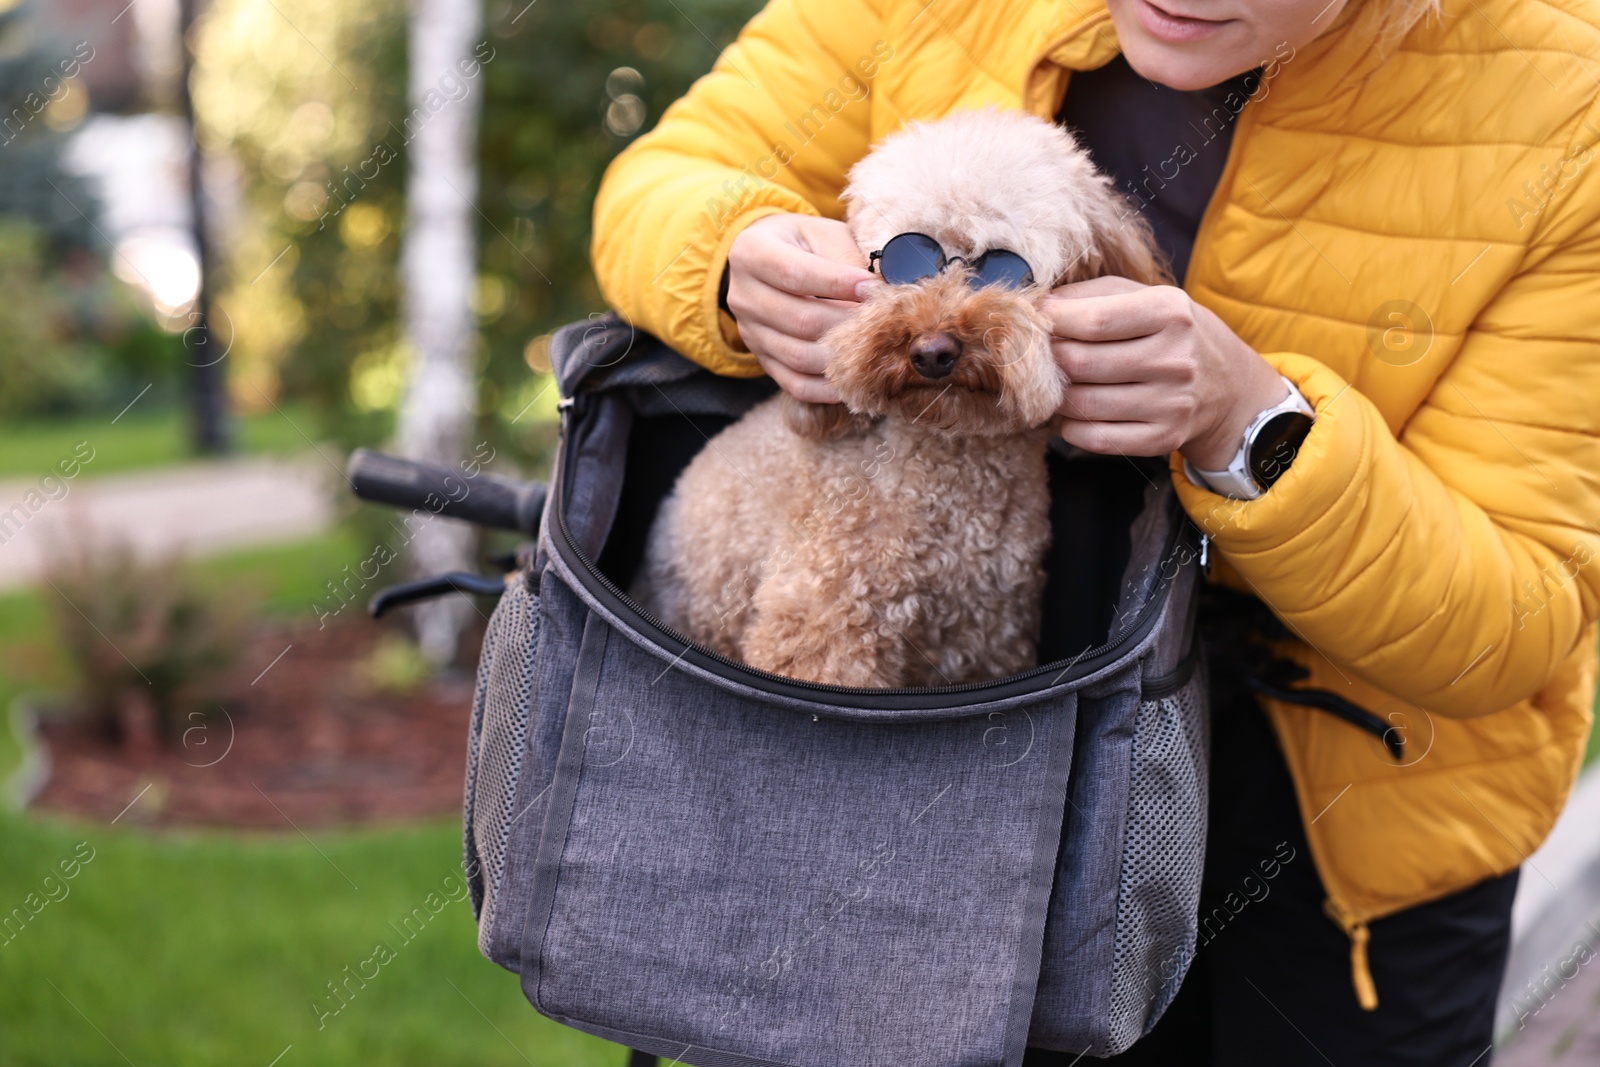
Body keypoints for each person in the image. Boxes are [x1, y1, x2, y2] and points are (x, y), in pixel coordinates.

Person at [589, 0, 1600, 1060]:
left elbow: (1518, 617)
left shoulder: (1562, 101)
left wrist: (1249, 422)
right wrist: (733, 257)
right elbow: (665, 179)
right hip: (997, 748)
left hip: (1352, 809)